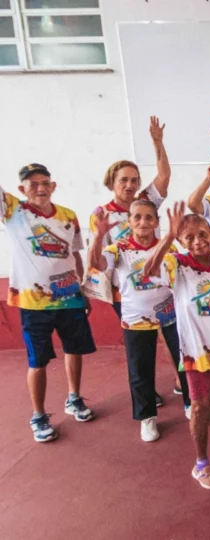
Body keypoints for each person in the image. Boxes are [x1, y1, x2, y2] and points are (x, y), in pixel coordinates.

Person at [144, 203, 210, 490]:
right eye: (189, 237)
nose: (197, 241)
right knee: (200, 406)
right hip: (197, 353)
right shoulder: (176, 264)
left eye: (202, 234)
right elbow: (149, 271)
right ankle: (201, 463)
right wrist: (167, 236)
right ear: (181, 241)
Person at [4, 164, 96, 442]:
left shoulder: (68, 216)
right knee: (37, 362)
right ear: (22, 190)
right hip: (34, 304)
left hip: (70, 299)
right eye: (33, 185)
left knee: (74, 350)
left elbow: (76, 255)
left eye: (45, 183)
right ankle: (39, 415)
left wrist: (82, 290)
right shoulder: (13, 212)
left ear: (53, 186)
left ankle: (74, 399)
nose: (40, 188)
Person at [89, 198, 190, 442]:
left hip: (171, 315)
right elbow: (96, 265)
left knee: (184, 361)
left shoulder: (171, 249)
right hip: (135, 319)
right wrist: (98, 237)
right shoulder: (119, 249)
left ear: (156, 222)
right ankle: (147, 417)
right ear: (130, 221)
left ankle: (190, 402)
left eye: (148, 217)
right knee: (140, 369)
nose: (143, 222)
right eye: (137, 217)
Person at [90, 116, 170, 248]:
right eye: (123, 180)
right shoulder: (101, 214)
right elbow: (99, 255)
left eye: (134, 180)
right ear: (111, 183)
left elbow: (164, 175)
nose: (129, 185)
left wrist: (157, 142)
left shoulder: (148, 201)